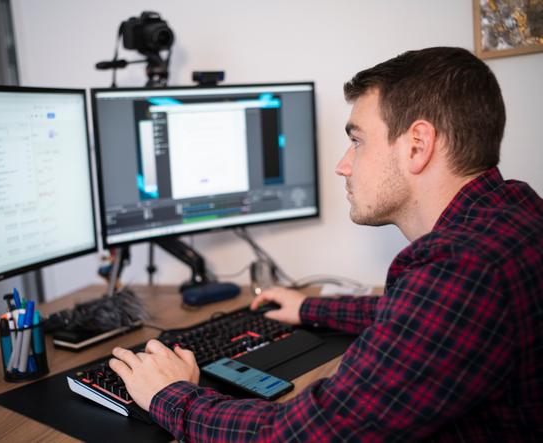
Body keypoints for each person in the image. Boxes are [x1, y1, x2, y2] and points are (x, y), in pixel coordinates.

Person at [109, 47, 543, 441]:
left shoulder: (461, 268)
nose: (343, 164)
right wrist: (309, 308)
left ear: (417, 145)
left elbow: (301, 437)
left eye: (357, 141)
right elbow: (421, 320)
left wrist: (171, 396)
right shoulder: (513, 212)